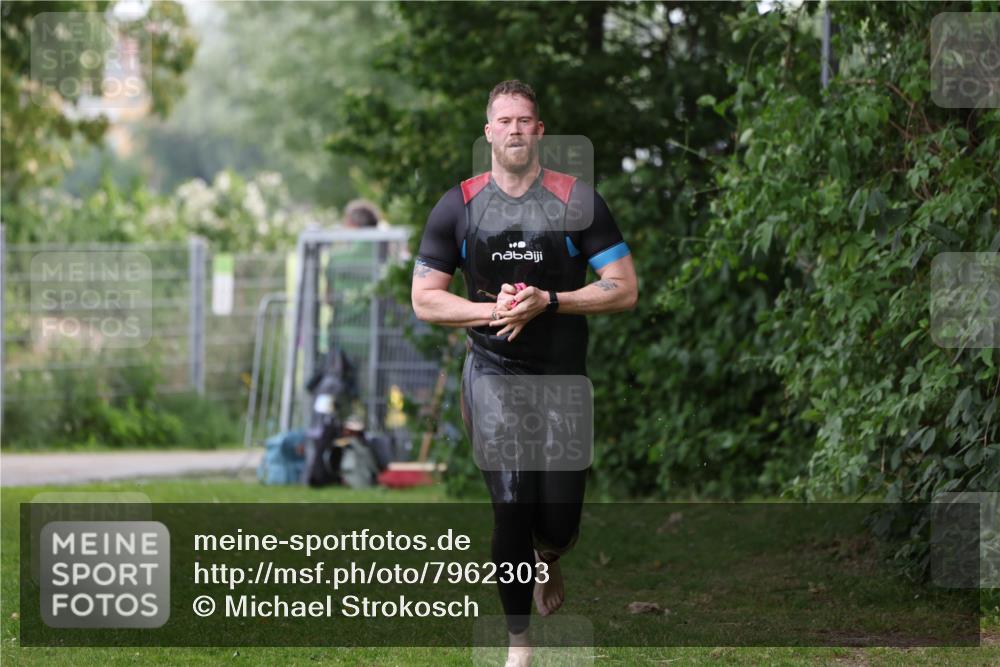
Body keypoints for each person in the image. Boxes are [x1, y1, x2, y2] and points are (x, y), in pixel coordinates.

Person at [411, 79, 638, 666]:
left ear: (540, 132)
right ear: (488, 132)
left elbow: (624, 289)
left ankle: (551, 557)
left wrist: (551, 301)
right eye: (504, 120)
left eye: (525, 120)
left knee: (558, 524)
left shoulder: (577, 202)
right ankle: (519, 647)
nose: (514, 129)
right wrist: (494, 312)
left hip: (563, 378)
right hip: (493, 372)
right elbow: (425, 299)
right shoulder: (457, 207)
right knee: (512, 502)